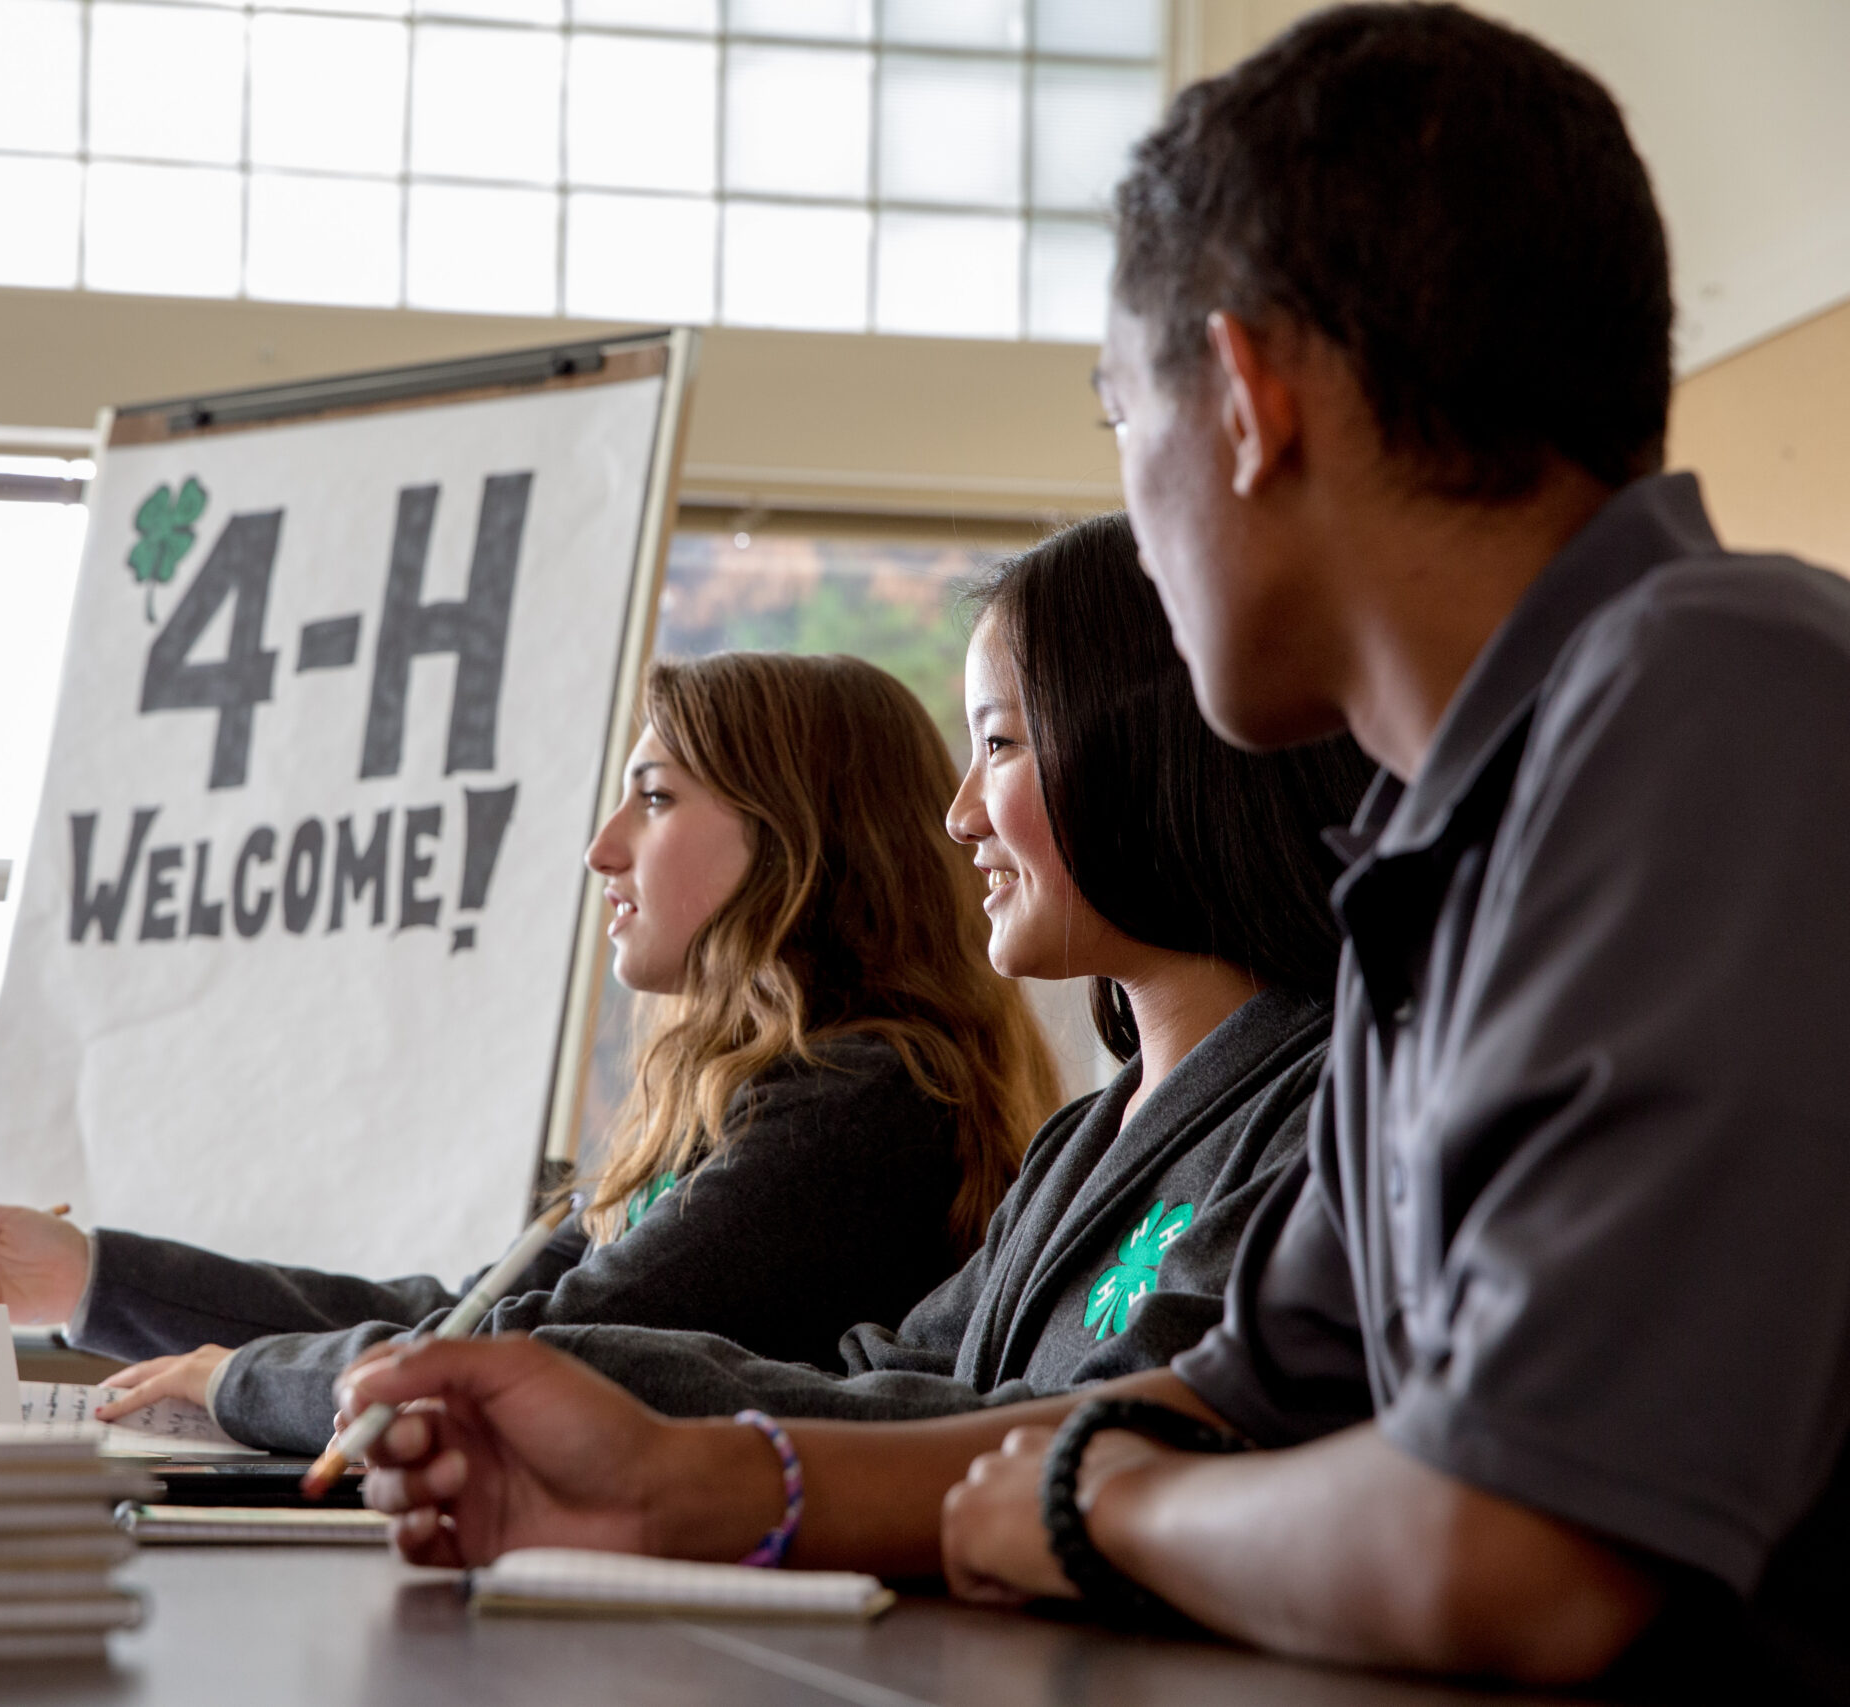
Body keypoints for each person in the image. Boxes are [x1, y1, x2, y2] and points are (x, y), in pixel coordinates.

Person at [344, 7, 1850, 1695]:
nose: (1135, 515)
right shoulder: (1451, 849)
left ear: (1248, 402)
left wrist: (1096, 1511)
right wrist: (697, 1484)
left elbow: (1521, 1548)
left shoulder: (1718, 694)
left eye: (1120, 418)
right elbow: (1226, 1399)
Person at [0, 651, 1061, 1451]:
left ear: (801, 838)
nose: (604, 849)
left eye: (652, 800)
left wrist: (237, 1381)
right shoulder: (753, 1091)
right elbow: (461, 1310)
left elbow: (514, 1354)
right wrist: (90, 1275)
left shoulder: (862, 1100)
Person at [540, 513, 1371, 1424]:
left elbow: (1109, 1430)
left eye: (1001, 744)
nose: (960, 814)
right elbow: (897, 1376)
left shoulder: (1329, 1111)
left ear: (1144, 749)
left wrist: (587, 1373)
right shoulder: (1080, 1142)